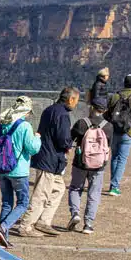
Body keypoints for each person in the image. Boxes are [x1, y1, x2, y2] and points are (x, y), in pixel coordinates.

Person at [19, 87, 79, 236]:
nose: (76, 104)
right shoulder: (63, 115)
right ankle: (26, 225)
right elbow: (63, 139)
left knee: (58, 188)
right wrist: (68, 145)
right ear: (71, 99)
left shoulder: (49, 110)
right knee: (41, 193)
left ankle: (44, 221)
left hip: (46, 157)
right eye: (76, 101)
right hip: (50, 159)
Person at [0, 95, 42, 249]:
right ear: (26, 111)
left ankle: (2, 240)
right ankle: (3, 227)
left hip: (2, 169)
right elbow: (32, 148)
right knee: (23, 203)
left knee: (7, 203)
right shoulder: (25, 126)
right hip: (18, 170)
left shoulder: (0, 125)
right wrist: (37, 138)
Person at [104, 74, 131, 196]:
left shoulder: (115, 96)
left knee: (114, 157)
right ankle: (114, 186)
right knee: (122, 159)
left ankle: (113, 185)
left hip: (114, 130)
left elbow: (107, 114)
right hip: (128, 132)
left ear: (124, 83)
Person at [66, 111, 112, 234]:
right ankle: (88, 224)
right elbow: (108, 146)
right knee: (94, 193)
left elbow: (69, 139)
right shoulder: (108, 126)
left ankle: (75, 213)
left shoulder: (81, 123)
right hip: (98, 166)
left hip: (80, 163)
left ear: (91, 107)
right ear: (104, 110)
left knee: (75, 188)